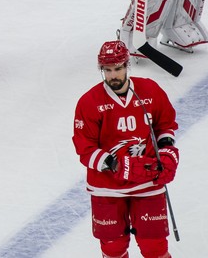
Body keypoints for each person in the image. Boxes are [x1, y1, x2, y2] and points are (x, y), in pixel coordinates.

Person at [73, 40, 180, 258]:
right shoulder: (89, 102)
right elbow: (85, 147)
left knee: (155, 247)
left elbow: (165, 125)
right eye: (108, 70)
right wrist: (115, 165)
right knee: (113, 248)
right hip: (107, 188)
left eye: (118, 69)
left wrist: (167, 153)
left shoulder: (150, 90)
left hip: (148, 182)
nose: (113, 75)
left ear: (127, 66)